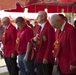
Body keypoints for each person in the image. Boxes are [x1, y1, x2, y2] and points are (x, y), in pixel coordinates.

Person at [30, 11, 55, 75]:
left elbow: (50, 44)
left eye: (39, 16)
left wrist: (46, 57)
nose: (37, 17)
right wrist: (34, 39)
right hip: (38, 56)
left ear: (44, 17)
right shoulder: (38, 27)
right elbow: (32, 39)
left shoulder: (49, 28)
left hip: (45, 57)